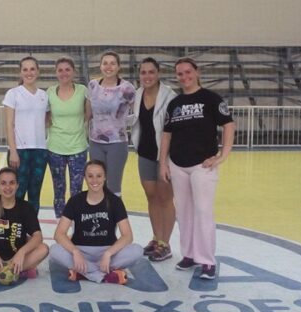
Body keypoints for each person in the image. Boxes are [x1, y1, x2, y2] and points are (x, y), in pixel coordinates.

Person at [159, 57, 235, 280]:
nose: (184, 77)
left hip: (203, 165)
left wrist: (223, 155)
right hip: (178, 164)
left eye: (188, 72)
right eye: (180, 74)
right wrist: (163, 162)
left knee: (203, 212)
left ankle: (207, 260)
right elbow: (167, 134)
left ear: (197, 72)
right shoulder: (175, 104)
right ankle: (189, 254)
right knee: (184, 213)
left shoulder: (211, 99)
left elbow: (228, 125)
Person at [50, 160, 143, 284]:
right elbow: (59, 234)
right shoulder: (75, 201)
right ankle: (103, 274)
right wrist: (75, 251)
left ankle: (83, 272)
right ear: (85, 178)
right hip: (81, 250)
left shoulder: (115, 201)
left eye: (99, 176)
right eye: (90, 176)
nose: (94, 180)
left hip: (107, 250)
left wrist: (109, 253)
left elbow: (128, 236)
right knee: (54, 250)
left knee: (137, 250)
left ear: (105, 177)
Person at [129, 57, 177, 262]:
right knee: (151, 196)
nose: (147, 76)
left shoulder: (170, 96)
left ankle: (165, 243)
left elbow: (173, 128)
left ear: (158, 73)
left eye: (151, 72)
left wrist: (165, 159)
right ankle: (157, 238)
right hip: (145, 152)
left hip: (165, 154)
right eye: (143, 72)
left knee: (165, 198)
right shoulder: (137, 94)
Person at [3, 56, 48, 212]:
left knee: (35, 194)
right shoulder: (13, 94)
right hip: (20, 151)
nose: (29, 73)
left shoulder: (44, 95)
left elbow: (47, 120)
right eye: (25, 69)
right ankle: (15, 230)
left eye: (32, 69)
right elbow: (9, 124)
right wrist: (13, 151)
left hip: (40, 150)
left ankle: (32, 231)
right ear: (20, 72)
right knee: (17, 193)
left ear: (38, 71)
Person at [46, 57, 89, 219]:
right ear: (56, 73)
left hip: (78, 147)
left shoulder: (83, 91)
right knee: (59, 188)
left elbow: (88, 115)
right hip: (55, 148)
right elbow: (46, 116)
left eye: (67, 69)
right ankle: (60, 222)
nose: (64, 73)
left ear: (74, 72)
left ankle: (75, 221)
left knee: (76, 189)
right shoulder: (49, 93)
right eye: (60, 70)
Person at [88, 51, 135, 196]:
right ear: (100, 66)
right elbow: (88, 114)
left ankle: (115, 217)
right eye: (105, 63)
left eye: (112, 63)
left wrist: (124, 122)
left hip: (117, 143)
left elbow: (138, 112)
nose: (108, 67)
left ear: (119, 67)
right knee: (96, 185)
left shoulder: (127, 88)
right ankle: (99, 217)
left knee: (113, 186)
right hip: (95, 142)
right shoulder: (93, 85)